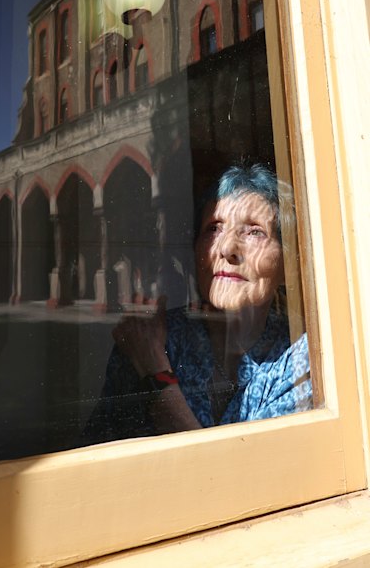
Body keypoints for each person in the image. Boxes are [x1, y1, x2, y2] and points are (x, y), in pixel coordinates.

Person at [85, 164, 312, 443]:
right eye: (214, 228)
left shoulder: (300, 355)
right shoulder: (153, 338)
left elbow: (240, 478)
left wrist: (156, 373)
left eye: (255, 231)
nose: (227, 248)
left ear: (287, 265)